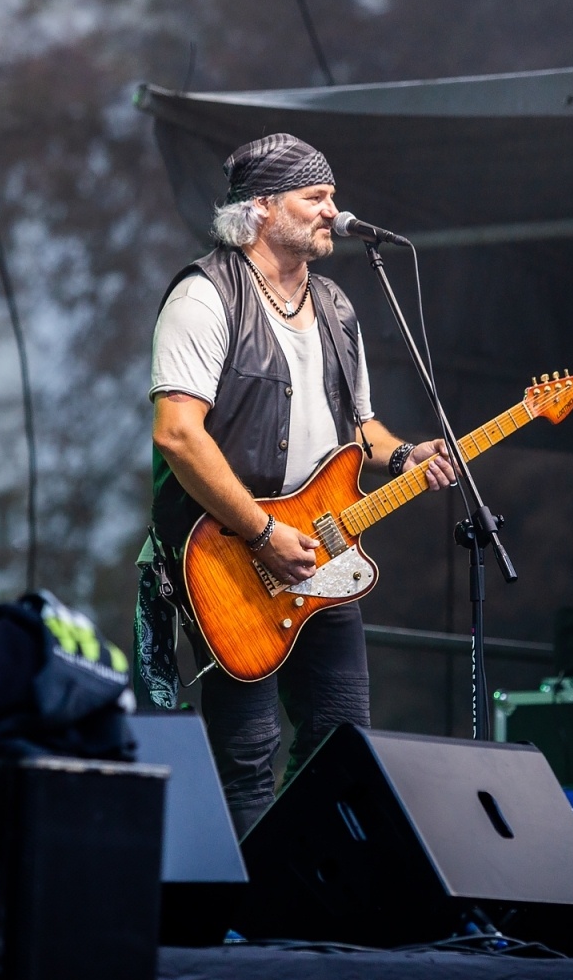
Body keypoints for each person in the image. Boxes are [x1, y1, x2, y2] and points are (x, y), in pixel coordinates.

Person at [141, 134, 456, 836]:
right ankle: (251, 926)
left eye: (332, 196)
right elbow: (177, 434)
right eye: (314, 197)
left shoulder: (338, 307)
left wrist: (406, 455)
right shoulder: (204, 296)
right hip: (229, 552)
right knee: (249, 750)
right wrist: (261, 531)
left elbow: (359, 427)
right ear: (260, 210)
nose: (332, 212)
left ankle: (305, 900)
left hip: (320, 550)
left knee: (343, 737)